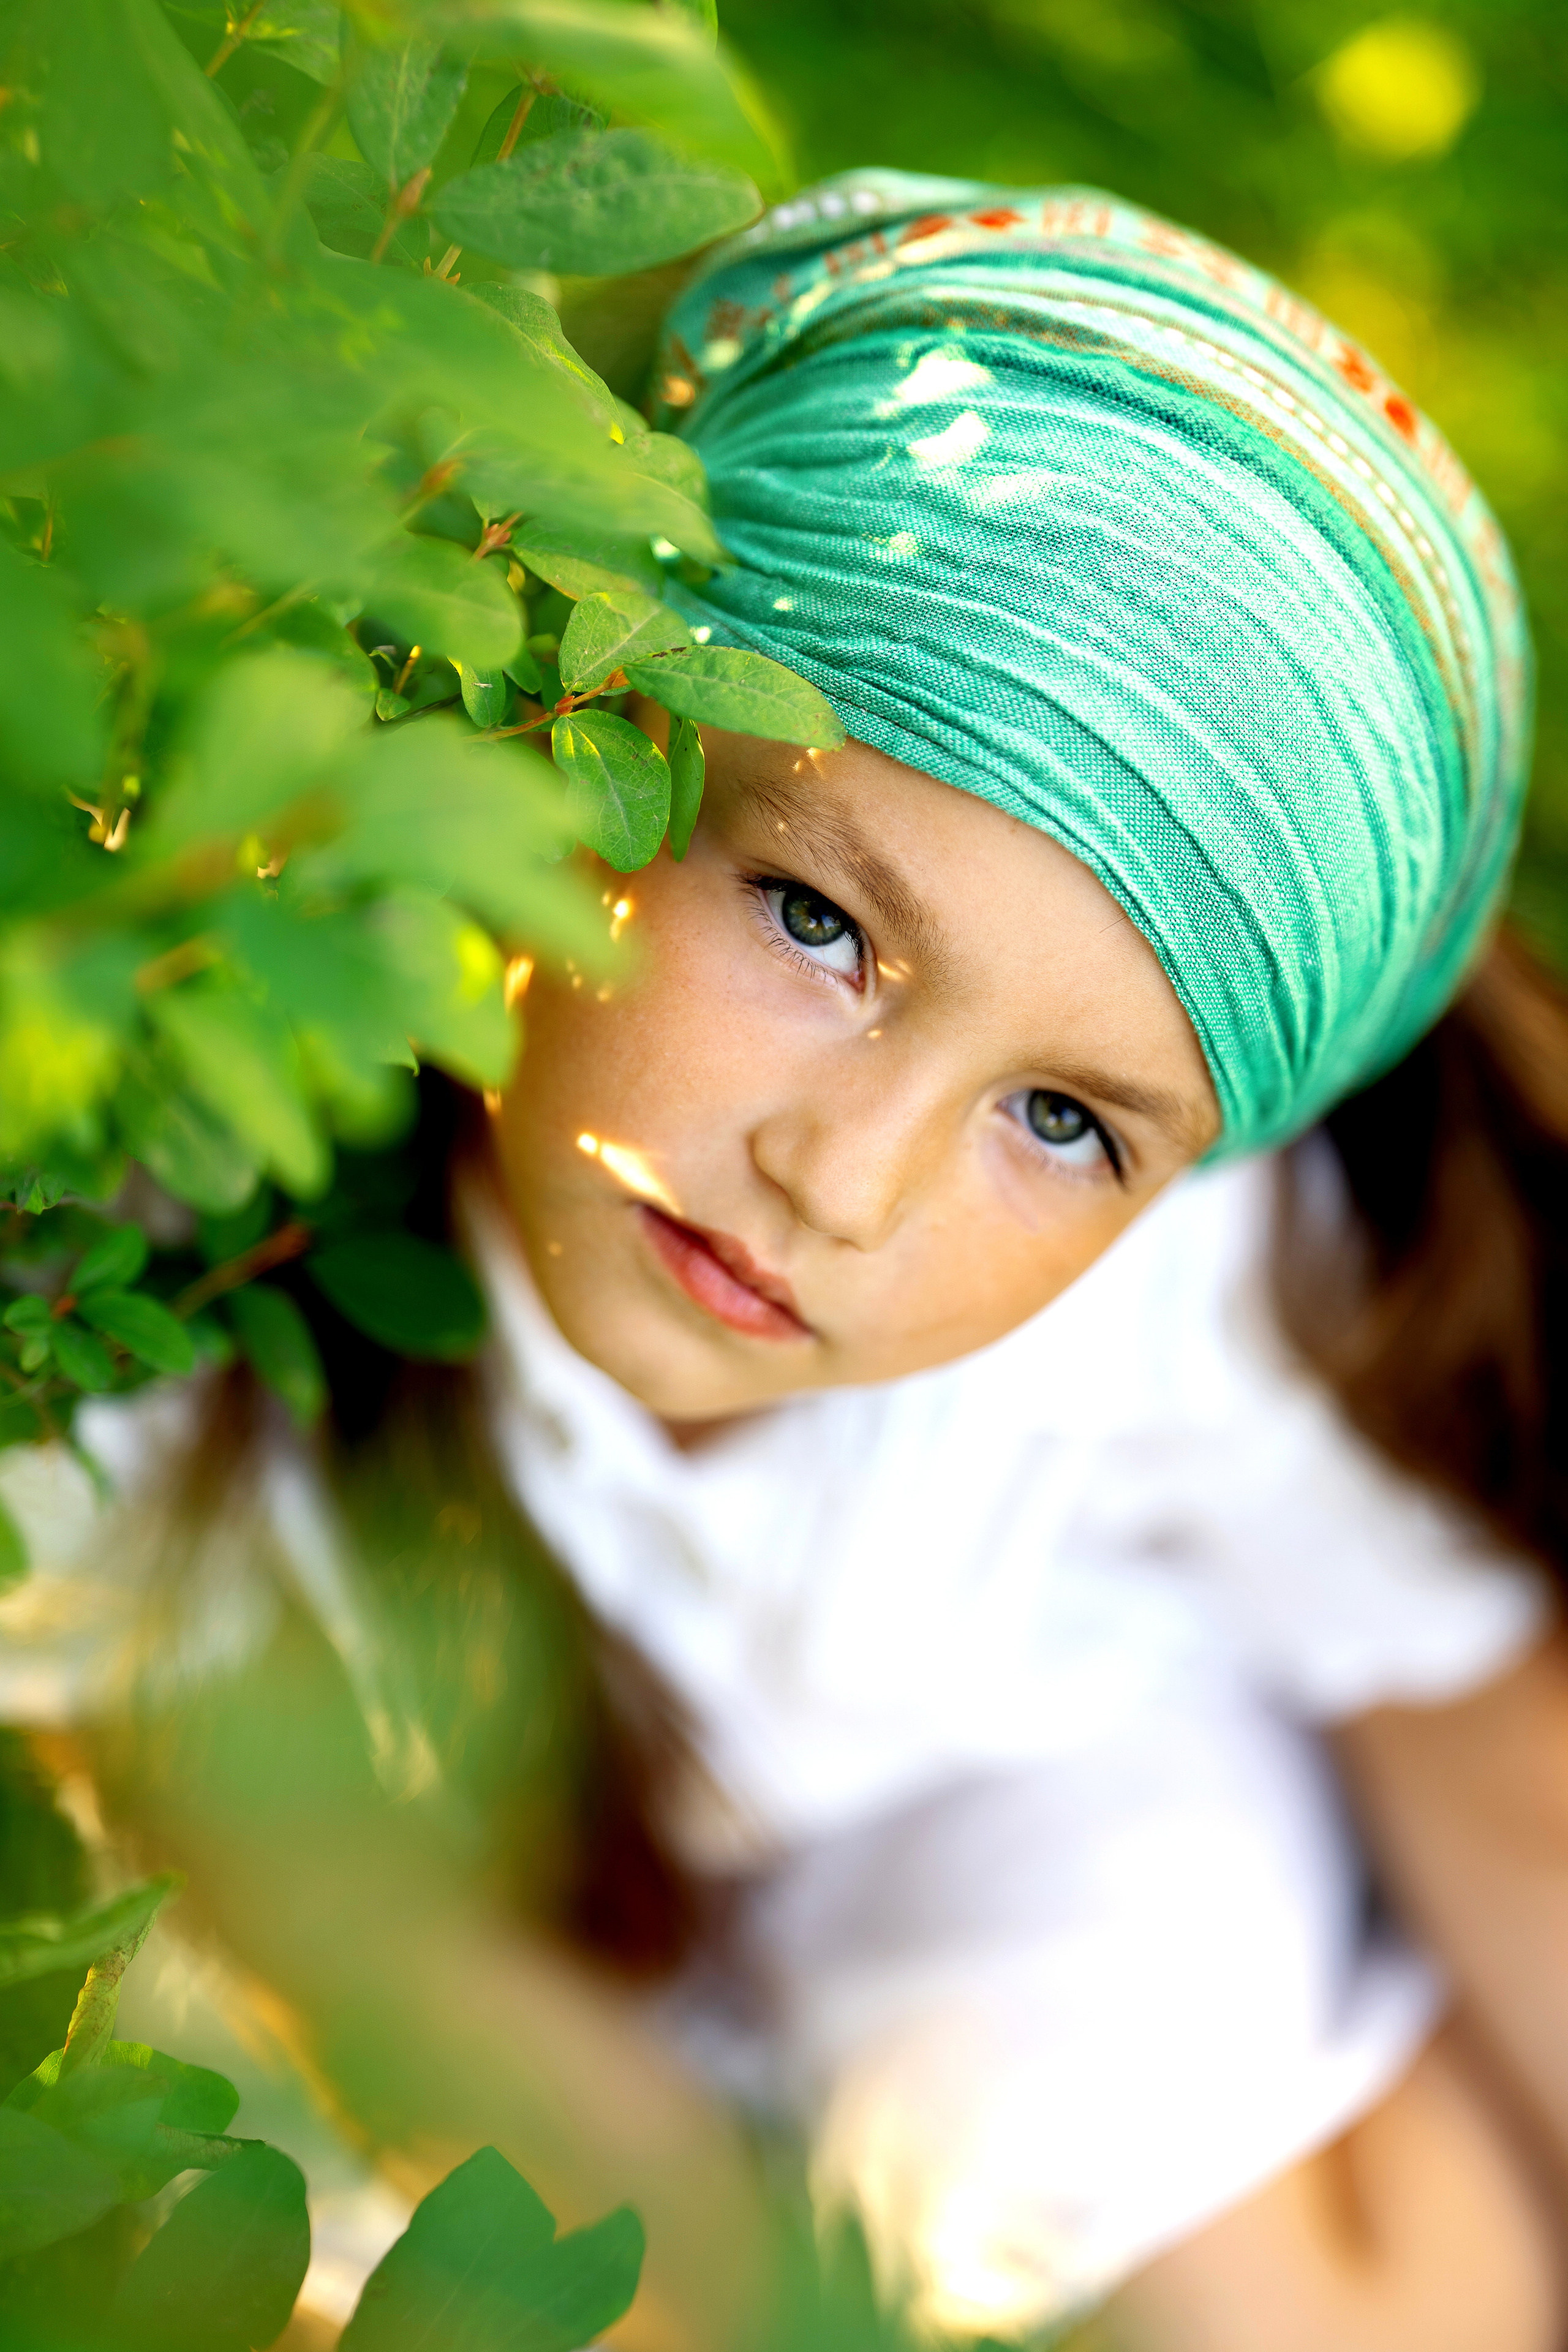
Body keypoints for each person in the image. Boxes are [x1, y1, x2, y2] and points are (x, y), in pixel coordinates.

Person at [28, 174, 1568, 2350]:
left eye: (1066, 1122)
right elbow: (418, 1991)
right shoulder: (164, 1265)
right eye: (818, 923)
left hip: (1006, 1744)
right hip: (496, 1864)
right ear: (589, 740)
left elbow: (1498, 1777)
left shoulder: (1211, 1296)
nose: (843, 1183)